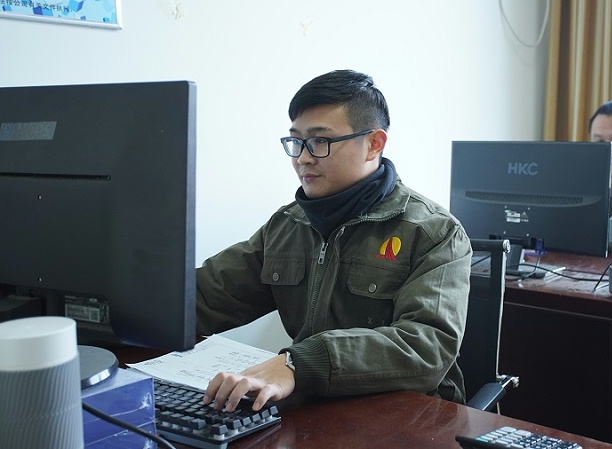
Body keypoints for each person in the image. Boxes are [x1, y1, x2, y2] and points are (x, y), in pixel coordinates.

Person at [195, 70, 473, 413]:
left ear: (374, 144)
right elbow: (207, 297)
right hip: (315, 406)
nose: (303, 158)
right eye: (296, 142)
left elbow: (426, 347)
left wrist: (298, 364)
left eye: (320, 142)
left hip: (410, 415)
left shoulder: (434, 232)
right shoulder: (289, 224)